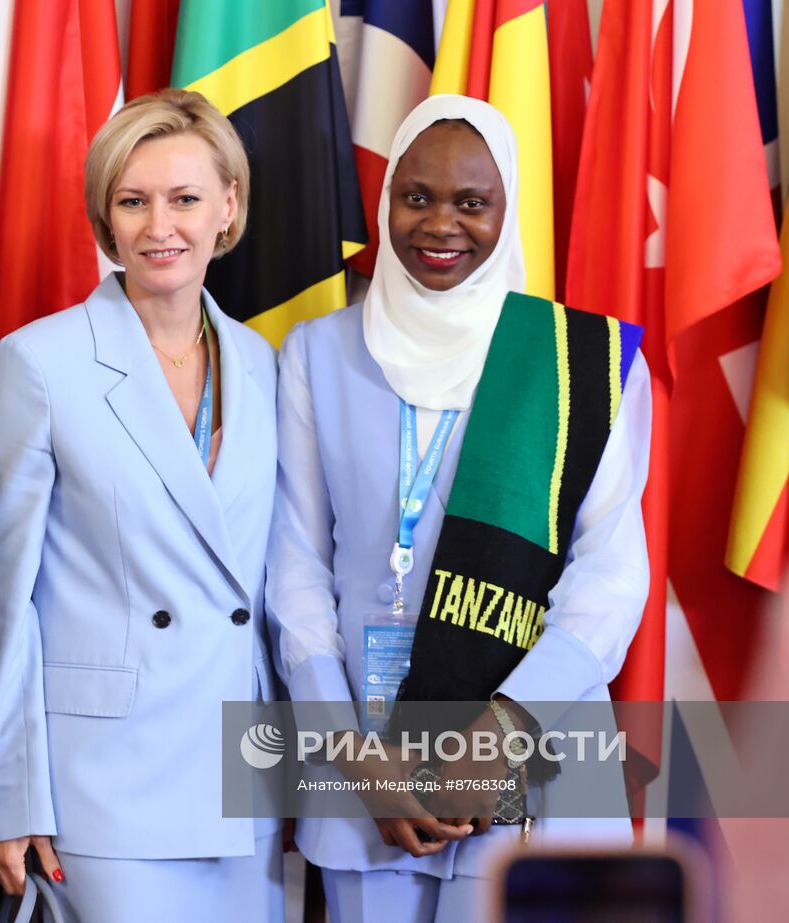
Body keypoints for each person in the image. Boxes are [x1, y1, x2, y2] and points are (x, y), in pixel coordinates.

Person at [266, 94, 652, 921]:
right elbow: (296, 568)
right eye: (418, 197)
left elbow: (613, 576)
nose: (441, 224)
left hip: (537, 754)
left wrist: (505, 729)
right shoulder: (316, 353)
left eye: (472, 202)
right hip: (373, 764)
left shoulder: (580, 363)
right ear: (386, 200)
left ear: (507, 210)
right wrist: (350, 751)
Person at [0, 88, 283, 923]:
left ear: (228, 207)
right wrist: (12, 791)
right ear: (105, 219)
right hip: (101, 782)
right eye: (133, 201)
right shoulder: (40, 362)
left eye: (184, 199)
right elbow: (4, 599)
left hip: (241, 775)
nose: (160, 226)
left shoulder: (263, 363)